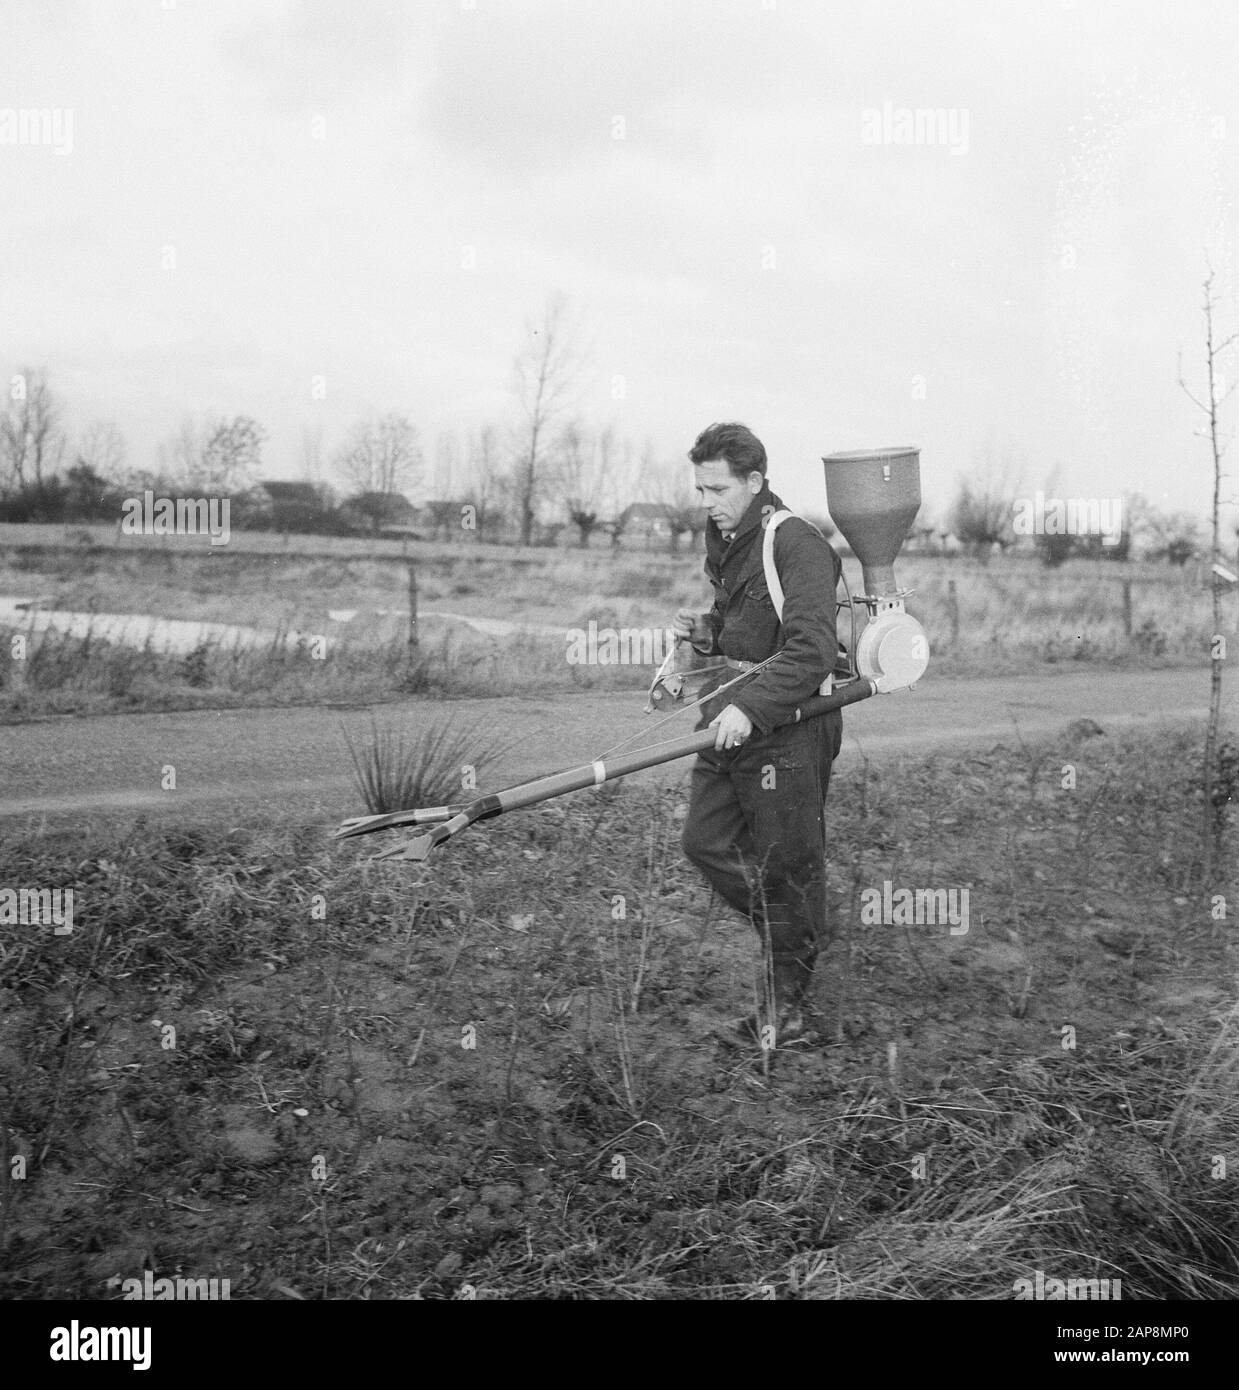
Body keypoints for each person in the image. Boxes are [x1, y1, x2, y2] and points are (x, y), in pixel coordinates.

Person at [672, 422, 843, 1049]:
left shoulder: (795, 543)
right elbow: (747, 624)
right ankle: (798, 927)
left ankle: (787, 1010)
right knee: (705, 840)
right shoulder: (725, 538)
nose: (709, 503)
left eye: (718, 489)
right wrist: (707, 633)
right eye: (701, 490)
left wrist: (751, 710)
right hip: (728, 713)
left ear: (755, 481)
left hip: (790, 725)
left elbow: (813, 649)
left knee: (787, 862)